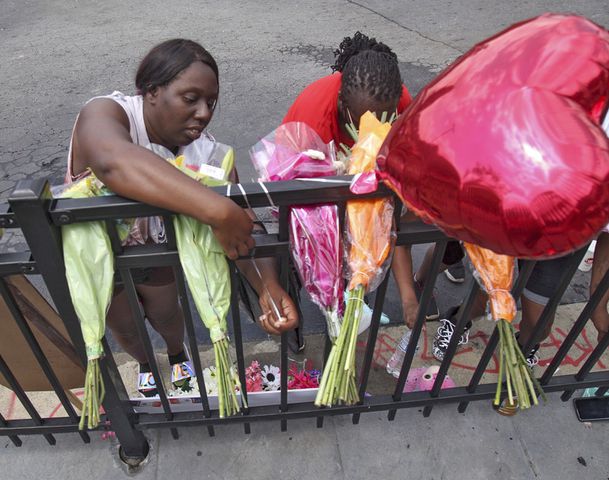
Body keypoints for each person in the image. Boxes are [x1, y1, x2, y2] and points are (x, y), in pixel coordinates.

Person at [66, 39, 298, 396]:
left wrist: (267, 286)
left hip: (158, 254)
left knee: (167, 315)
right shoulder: (107, 113)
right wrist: (218, 210)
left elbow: (243, 225)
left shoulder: (209, 152)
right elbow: (112, 160)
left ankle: (176, 355)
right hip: (101, 261)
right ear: (151, 92)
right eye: (191, 99)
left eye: (211, 102)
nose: (204, 113)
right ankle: (145, 362)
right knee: (125, 326)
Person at [283, 32, 412, 329]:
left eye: (382, 120)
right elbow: (305, 193)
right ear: (342, 102)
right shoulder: (313, 115)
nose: (370, 131)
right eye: (359, 121)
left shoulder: (398, 98)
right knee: (319, 252)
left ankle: (356, 303)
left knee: (363, 238)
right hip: (313, 181)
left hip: (361, 185)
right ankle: (311, 311)